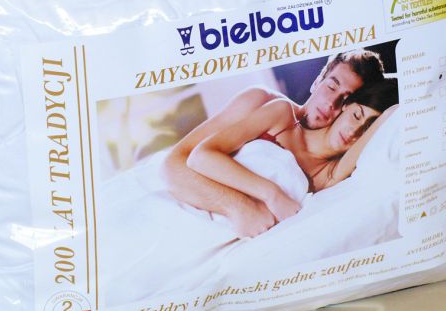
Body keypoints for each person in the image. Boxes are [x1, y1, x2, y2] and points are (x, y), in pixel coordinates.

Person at [161, 49, 385, 234]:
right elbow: (174, 165)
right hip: (176, 209)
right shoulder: (262, 102)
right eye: (331, 87)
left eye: (345, 99)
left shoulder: (330, 165)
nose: (331, 104)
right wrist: (239, 206)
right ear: (318, 81)